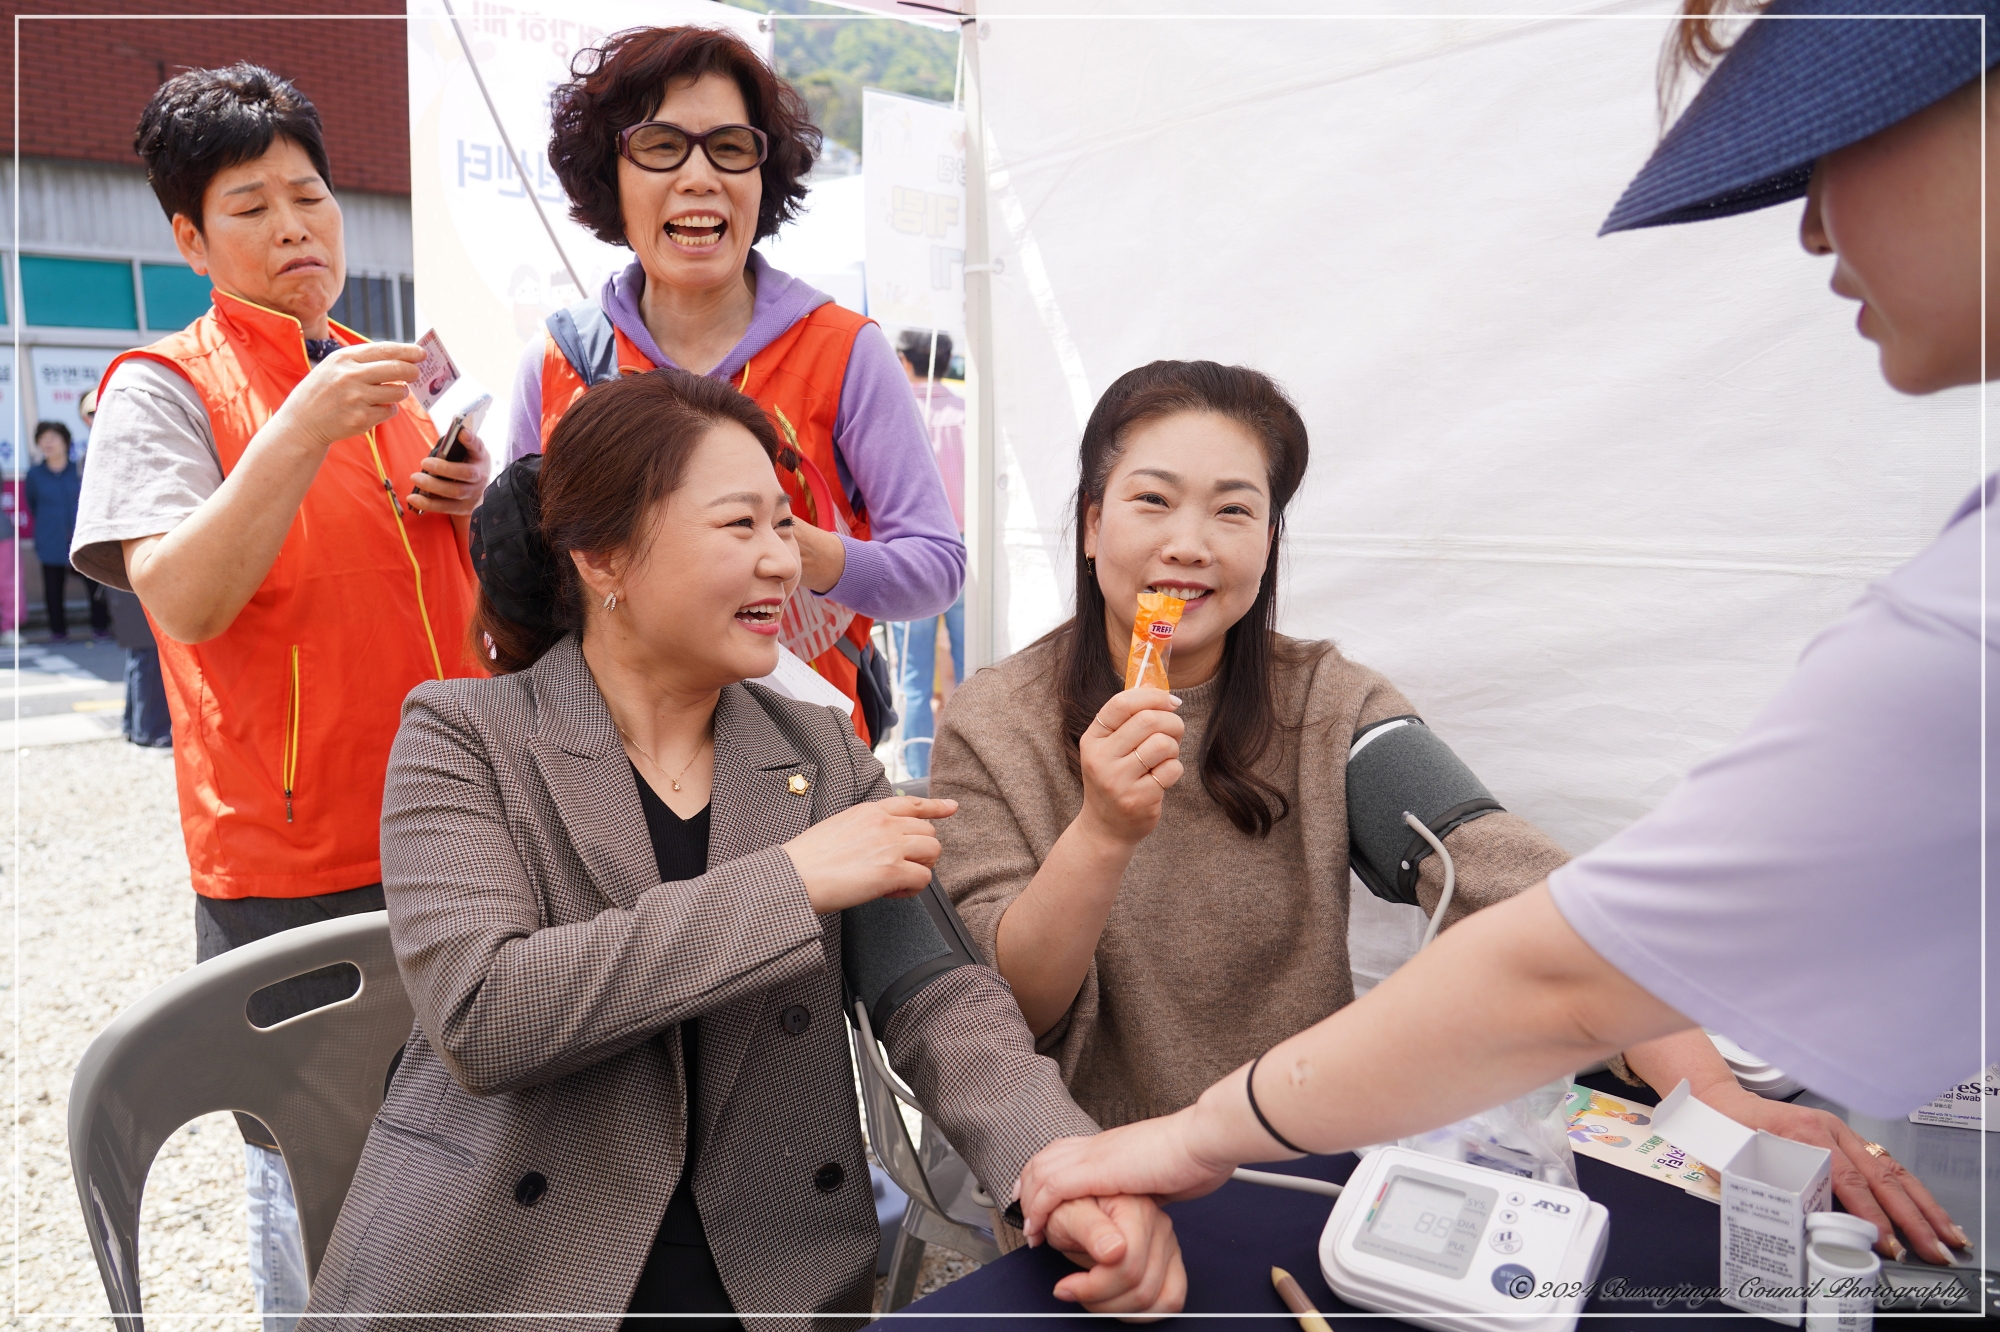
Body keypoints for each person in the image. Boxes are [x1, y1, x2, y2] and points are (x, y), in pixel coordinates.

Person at [1012, 0, 1990, 1276]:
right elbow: (994, 1007)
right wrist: (1097, 838)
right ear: (1087, 525)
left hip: (1300, 1178)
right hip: (1101, 1173)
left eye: (1233, 508)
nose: (1188, 543)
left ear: (1270, 543)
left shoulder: (1327, 707)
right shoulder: (997, 716)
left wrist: (1703, 1085)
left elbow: (1512, 887)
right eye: (1150, 501)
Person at [302, 368, 1185, 1325]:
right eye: (740, 526)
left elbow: (945, 1003)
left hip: (759, 1275)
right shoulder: (464, 734)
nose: (782, 561)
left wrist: (1061, 1164)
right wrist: (790, 885)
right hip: (500, 1270)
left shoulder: (821, 753)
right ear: (603, 559)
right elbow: (484, 1012)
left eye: (783, 524)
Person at [68, 64, 491, 1328]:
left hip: (460, 828)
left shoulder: (388, 368)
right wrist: (299, 425)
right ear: (190, 237)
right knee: (314, 1171)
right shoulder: (162, 382)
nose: (296, 227)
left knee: (477, 1137)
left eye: (308, 195)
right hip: (296, 861)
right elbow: (182, 603)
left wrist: (467, 501)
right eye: (249, 207)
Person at [511, 25, 963, 746]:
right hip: (605, 759)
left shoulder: (845, 350)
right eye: (660, 147)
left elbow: (936, 569)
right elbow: (530, 583)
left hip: (802, 761)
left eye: (730, 147)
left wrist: (796, 550)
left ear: (763, 175)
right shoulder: (560, 360)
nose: (700, 178)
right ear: (610, 177)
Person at [887, 327, 965, 779]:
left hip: (912, 553)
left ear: (905, 360)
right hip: (966, 549)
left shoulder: (900, 413)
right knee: (972, 666)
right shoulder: (966, 411)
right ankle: (966, 769)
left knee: (913, 676)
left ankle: (918, 773)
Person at [79, 388, 171, 747]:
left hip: (125, 560)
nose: (97, 415)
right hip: (126, 560)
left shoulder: (101, 451)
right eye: (90, 412)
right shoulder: (105, 452)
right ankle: (150, 729)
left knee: (141, 651)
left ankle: (136, 726)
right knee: (146, 650)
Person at [25, 421, 109, 642]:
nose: (48, 443)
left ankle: (101, 626)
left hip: (82, 538)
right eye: (43, 439)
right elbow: (33, 504)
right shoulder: (35, 475)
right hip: (51, 538)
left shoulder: (80, 469)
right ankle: (58, 631)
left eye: (53, 437)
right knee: (53, 588)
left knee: (94, 585)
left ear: (65, 442)